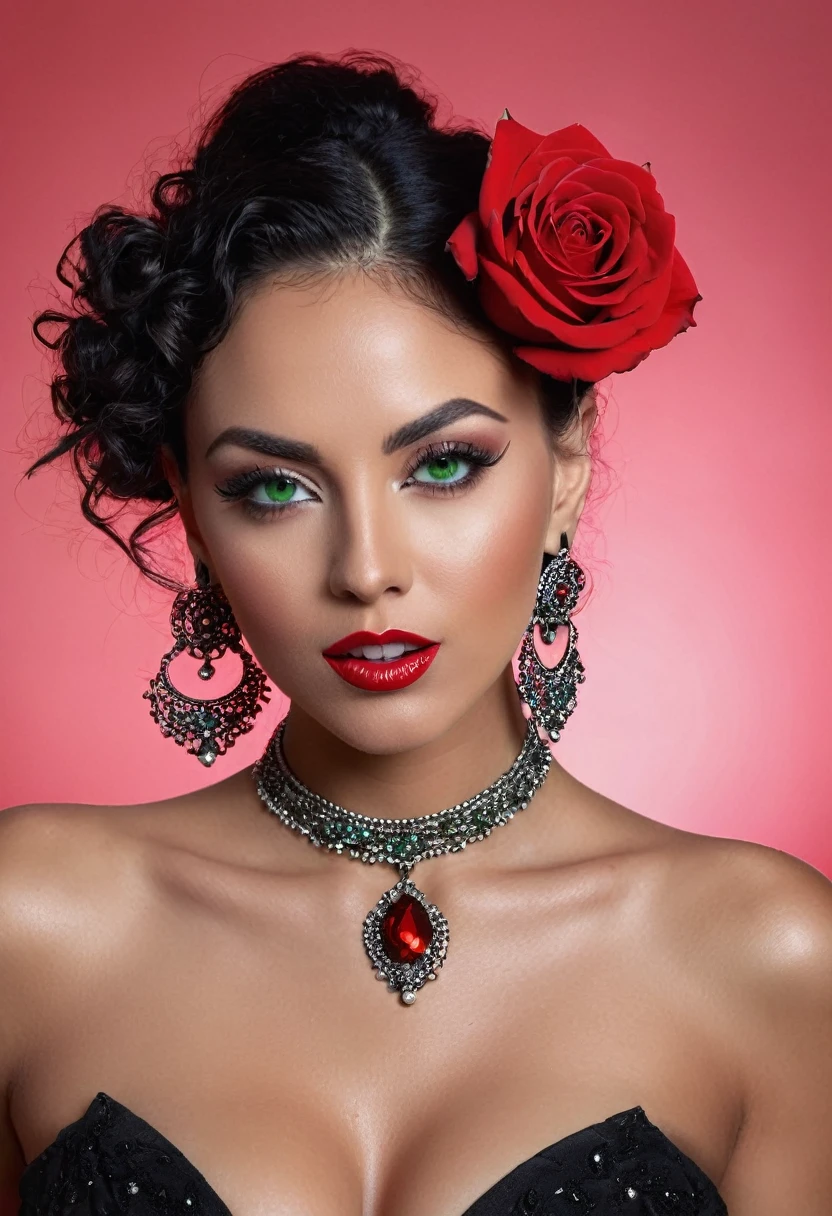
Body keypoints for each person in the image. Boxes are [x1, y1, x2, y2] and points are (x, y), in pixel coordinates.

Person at [2, 48, 830, 1216]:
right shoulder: (28, 925)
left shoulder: (770, 959)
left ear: (565, 463)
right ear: (189, 507)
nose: (367, 570)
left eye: (443, 464)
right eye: (274, 489)